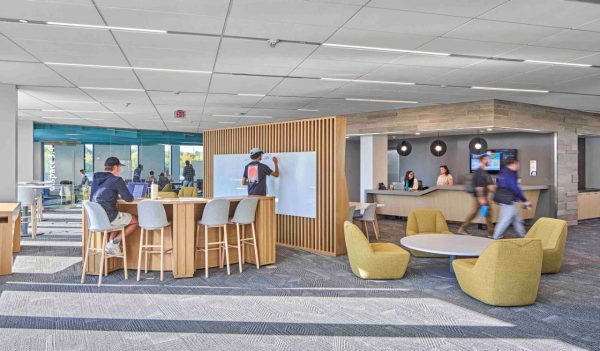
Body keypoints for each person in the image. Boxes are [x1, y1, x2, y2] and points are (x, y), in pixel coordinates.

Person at [90, 157, 138, 255]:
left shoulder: (96, 178)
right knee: (135, 221)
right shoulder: (116, 180)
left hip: (96, 219)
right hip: (109, 217)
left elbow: (100, 194)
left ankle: (111, 244)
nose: (120, 169)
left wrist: (115, 196)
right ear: (115, 167)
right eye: (120, 167)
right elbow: (129, 198)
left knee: (118, 219)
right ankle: (115, 242)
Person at [492, 158, 531, 240]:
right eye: (518, 163)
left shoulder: (504, 171)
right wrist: (524, 200)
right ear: (513, 164)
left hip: (506, 199)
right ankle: (496, 237)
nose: (519, 166)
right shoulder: (509, 173)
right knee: (505, 220)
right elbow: (514, 188)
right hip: (508, 200)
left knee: (516, 218)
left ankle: (523, 235)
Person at [458, 154, 494, 236]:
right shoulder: (480, 171)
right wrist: (481, 199)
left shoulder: (482, 171)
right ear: (483, 160)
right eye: (488, 159)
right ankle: (491, 233)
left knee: (485, 213)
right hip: (480, 197)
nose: (489, 161)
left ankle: (491, 233)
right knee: (481, 213)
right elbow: (479, 187)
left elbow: (488, 186)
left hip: (481, 197)